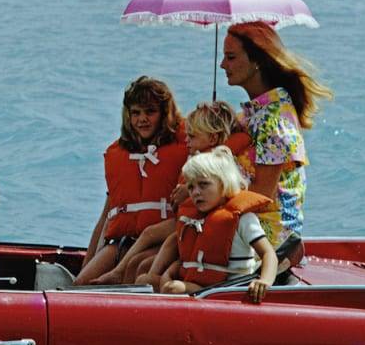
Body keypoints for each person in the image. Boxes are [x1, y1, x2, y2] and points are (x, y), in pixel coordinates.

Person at [95, 100, 251, 284]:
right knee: (147, 244)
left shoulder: (218, 163)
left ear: (212, 139)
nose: (187, 141)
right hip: (186, 219)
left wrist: (187, 189)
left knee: (148, 242)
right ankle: (128, 281)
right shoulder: (198, 158)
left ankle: (133, 278)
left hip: (200, 222)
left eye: (192, 137)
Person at [218, 21, 332, 251]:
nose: (222, 65)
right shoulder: (255, 114)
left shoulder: (273, 121)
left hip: (270, 239)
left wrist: (210, 199)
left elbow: (262, 197)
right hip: (247, 224)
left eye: (231, 57)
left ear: (257, 61)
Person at [73, 76, 186, 284]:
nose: (142, 119)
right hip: (121, 242)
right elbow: (106, 216)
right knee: (80, 285)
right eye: (136, 113)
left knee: (134, 270)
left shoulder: (183, 150)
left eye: (150, 112)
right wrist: (88, 262)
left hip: (159, 241)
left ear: (164, 114)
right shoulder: (119, 154)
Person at [156, 146, 278, 303]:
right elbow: (186, 259)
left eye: (203, 185)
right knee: (149, 281)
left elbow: (268, 254)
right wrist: (167, 275)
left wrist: (265, 281)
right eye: (191, 187)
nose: (195, 192)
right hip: (201, 286)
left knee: (173, 289)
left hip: (229, 290)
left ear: (224, 183)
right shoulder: (194, 220)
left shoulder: (243, 219)